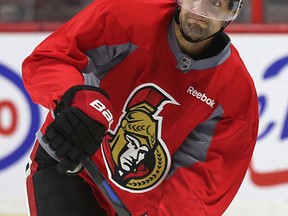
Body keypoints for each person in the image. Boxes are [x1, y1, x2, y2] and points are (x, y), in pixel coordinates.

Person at [22, 0, 259, 215]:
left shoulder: (233, 91)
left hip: (134, 206)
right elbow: (51, 58)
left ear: (232, 13)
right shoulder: (129, 15)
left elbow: (201, 182)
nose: (199, 12)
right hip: (70, 161)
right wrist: (72, 98)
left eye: (215, 4)